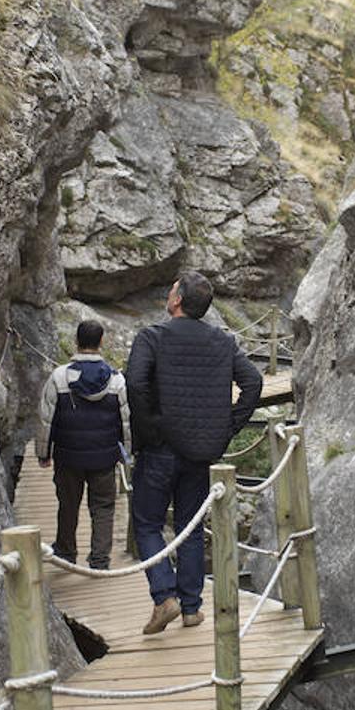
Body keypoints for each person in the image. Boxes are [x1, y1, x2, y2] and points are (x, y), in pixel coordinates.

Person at [126, 271, 263, 634]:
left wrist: (152, 429)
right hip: (201, 453)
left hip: (160, 450)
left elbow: (136, 384)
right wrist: (227, 428)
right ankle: (190, 608)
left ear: (177, 301)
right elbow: (253, 381)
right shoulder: (223, 341)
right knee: (190, 526)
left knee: (147, 523)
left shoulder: (152, 337)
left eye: (171, 290)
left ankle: (163, 597)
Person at [36, 320, 130, 570]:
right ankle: (100, 560)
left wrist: (43, 453)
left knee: (67, 504)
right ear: (101, 342)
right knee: (103, 507)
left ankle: (66, 553)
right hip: (104, 456)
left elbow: (46, 419)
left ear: (77, 342)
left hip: (68, 457)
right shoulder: (116, 380)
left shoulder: (59, 376)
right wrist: (125, 452)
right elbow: (125, 421)